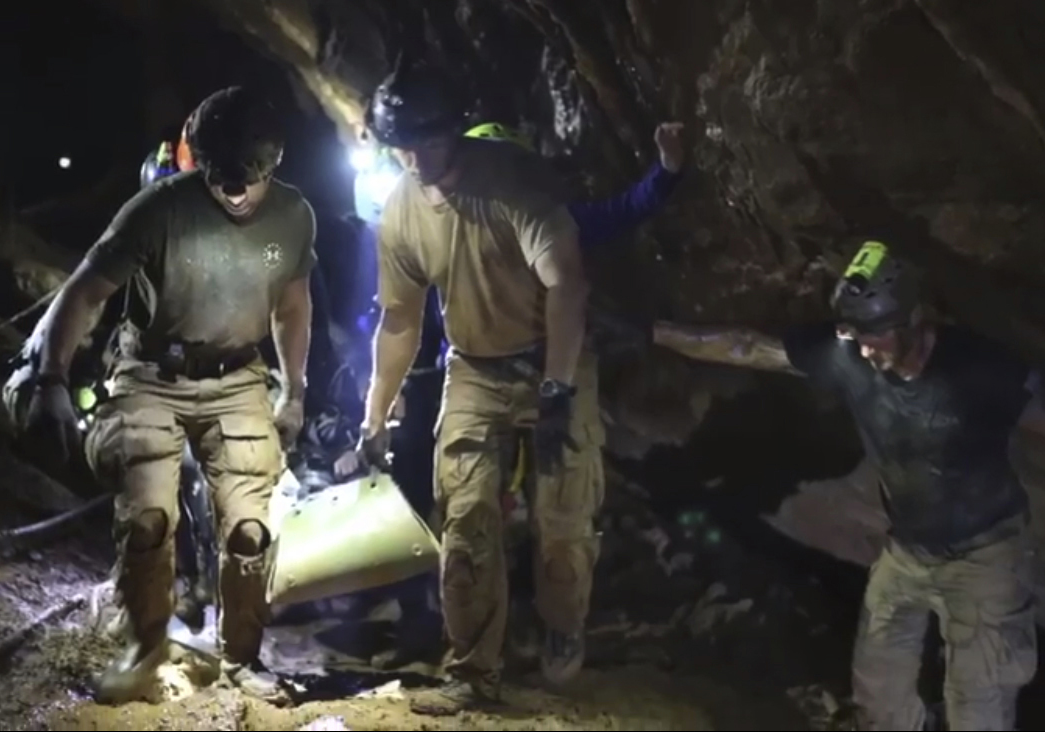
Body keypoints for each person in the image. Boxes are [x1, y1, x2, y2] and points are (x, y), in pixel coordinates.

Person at [651, 240, 1039, 731]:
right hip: (907, 553)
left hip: (987, 557)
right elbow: (748, 346)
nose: (861, 346)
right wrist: (655, 332)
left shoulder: (979, 370)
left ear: (916, 322)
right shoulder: (850, 356)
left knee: (978, 707)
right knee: (877, 698)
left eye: (873, 334)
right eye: (852, 333)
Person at [20, 86, 315, 705]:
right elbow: (86, 291)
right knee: (150, 515)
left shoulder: (291, 217)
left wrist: (295, 390)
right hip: (152, 372)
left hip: (237, 376)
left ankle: (242, 658)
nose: (234, 192)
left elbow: (292, 304)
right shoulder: (157, 209)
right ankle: (145, 649)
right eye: (221, 178)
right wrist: (50, 376)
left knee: (249, 530)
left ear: (274, 164)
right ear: (199, 162)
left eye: (247, 180)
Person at [351, 58, 605, 715]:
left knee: (562, 524)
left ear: (454, 131)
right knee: (463, 519)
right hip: (473, 368)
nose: (412, 156)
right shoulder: (401, 212)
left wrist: (555, 389)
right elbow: (400, 320)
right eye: (400, 144)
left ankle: (561, 623)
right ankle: (472, 671)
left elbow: (566, 284)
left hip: (555, 358)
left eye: (425, 141)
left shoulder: (513, 184)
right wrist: (374, 415)